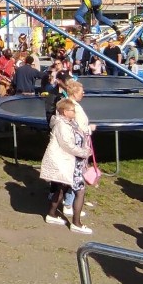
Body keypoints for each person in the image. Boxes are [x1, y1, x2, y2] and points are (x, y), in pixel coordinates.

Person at [40, 98, 93, 234]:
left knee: (61, 188)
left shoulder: (71, 123)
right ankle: (76, 223)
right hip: (67, 161)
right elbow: (67, 145)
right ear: (64, 111)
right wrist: (84, 152)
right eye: (72, 110)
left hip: (72, 161)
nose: (74, 112)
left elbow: (79, 136)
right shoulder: (62, 125)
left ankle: (51, 215)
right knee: (79, 191)